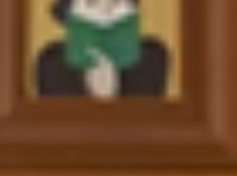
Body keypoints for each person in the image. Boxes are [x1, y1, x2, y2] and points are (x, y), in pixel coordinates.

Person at [35, 0, 173, 101]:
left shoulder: (152, 57)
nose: (105, 12)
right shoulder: (52, 62)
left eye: (116, 2)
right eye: (91, 2)